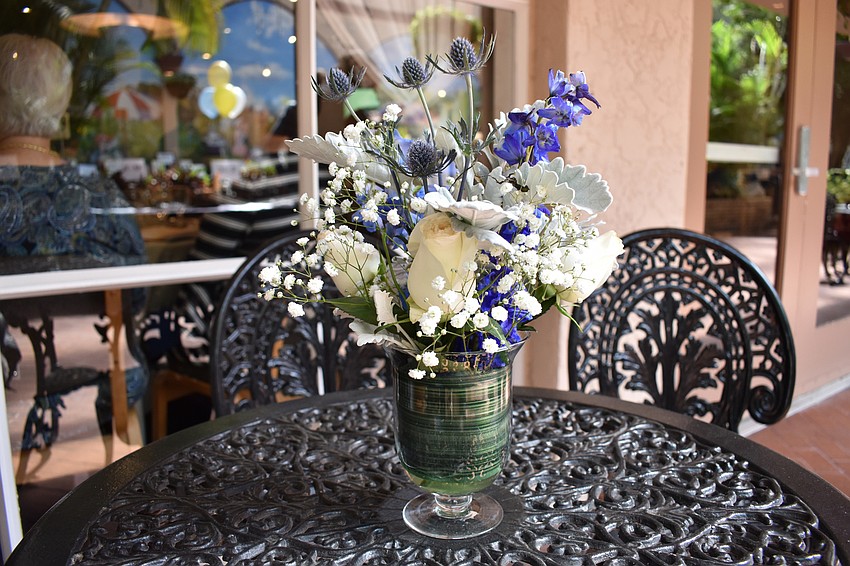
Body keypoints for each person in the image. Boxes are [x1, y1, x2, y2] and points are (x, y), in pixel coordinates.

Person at [0, 33, 148, 448]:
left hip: (8, 390)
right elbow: (134, 297)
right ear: (59, 102)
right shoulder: (99, 196)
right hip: (101, 387)